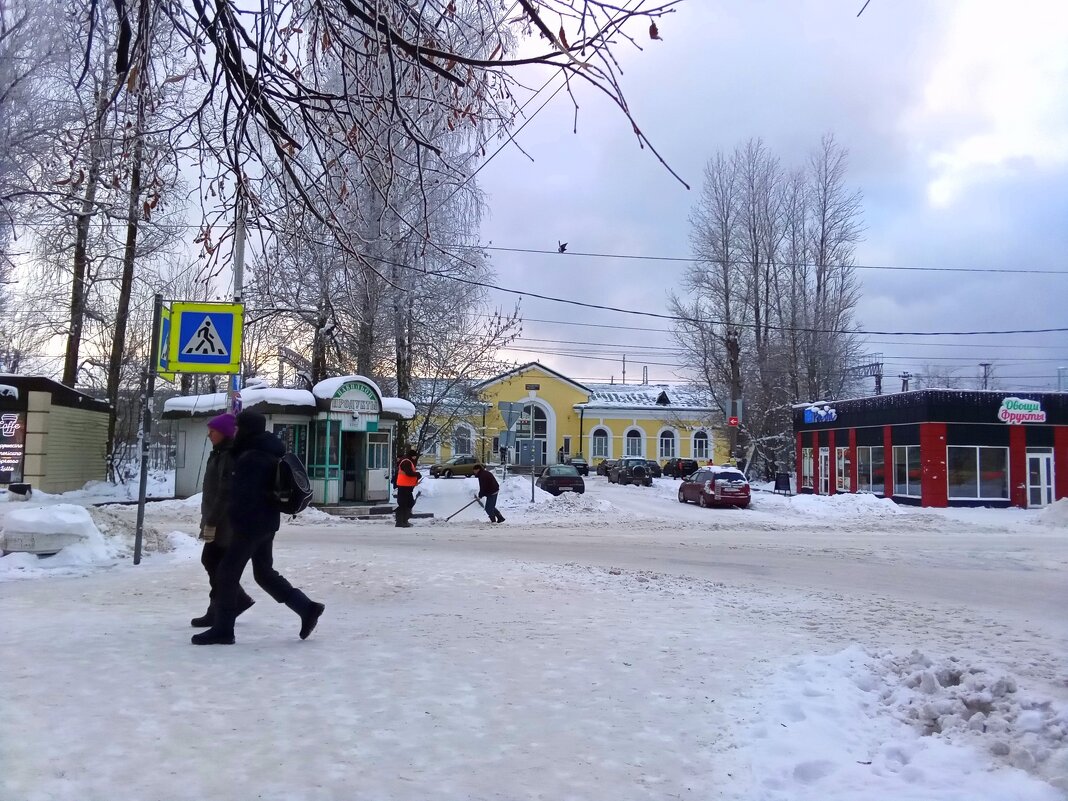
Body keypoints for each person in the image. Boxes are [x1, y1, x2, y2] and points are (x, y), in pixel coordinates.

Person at [192, 410, 325, 645]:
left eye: (238, 427)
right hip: (266, 524)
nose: (234, 431)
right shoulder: (266, 450)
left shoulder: (251, 456)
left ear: (246, 429)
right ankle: (307, 608)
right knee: (264, 574)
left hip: (249, 526)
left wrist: (231, 521)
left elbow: (243, 495)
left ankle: (223, 629)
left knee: (226, 574)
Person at [190, 413, 255, 628]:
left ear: (225, 433)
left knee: (214, 563)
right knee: (214, 563)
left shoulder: (228, 456)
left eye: (213, 431)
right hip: (217, 519)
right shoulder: (219, 453)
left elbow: (225, 492)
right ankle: (228, 603)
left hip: (223, 523)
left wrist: (212, 521)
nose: (209, 434)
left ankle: (225, 606)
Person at [394, 446, 421, 528]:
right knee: (403, 504)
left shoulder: (408, 461)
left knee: (410, 503)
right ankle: (399, 522)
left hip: (407, 487)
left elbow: (409, 473)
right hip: (403, 487)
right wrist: (417, 474)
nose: (415, 457)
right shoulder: (406, 462)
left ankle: (404, 520)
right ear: (412, 456)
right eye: (415, 456)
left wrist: (416, 477)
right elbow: (408, 473)